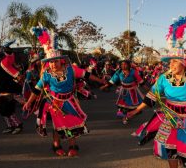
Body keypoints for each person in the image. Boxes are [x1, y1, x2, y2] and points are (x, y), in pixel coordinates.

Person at [23, 26, 105, 157]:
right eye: (50, 62)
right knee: (57, 126)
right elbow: (37, 90)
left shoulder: (71, 69)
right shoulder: (47, 75)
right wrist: (28, 102)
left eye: (55, 61)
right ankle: (56, 145)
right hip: (55, 104)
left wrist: (101, 81)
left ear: (61, 60)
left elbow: (87, 75)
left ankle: (73, 146)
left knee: (72, 124)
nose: (53, 64)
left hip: (71, 102)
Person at [100, 60, 145, 124]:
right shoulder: (119, 72)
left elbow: (141, 82)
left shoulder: (133, 72)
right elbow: (112, 81)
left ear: (128, 65)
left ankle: (127, 117)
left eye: (125, 64)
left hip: (133, 92)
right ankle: (124, 118)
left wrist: (150, 90)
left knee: (133, 107)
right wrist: (104, 86)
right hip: (123, 91)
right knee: (124, 106)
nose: (123, 66)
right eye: (122, 64)